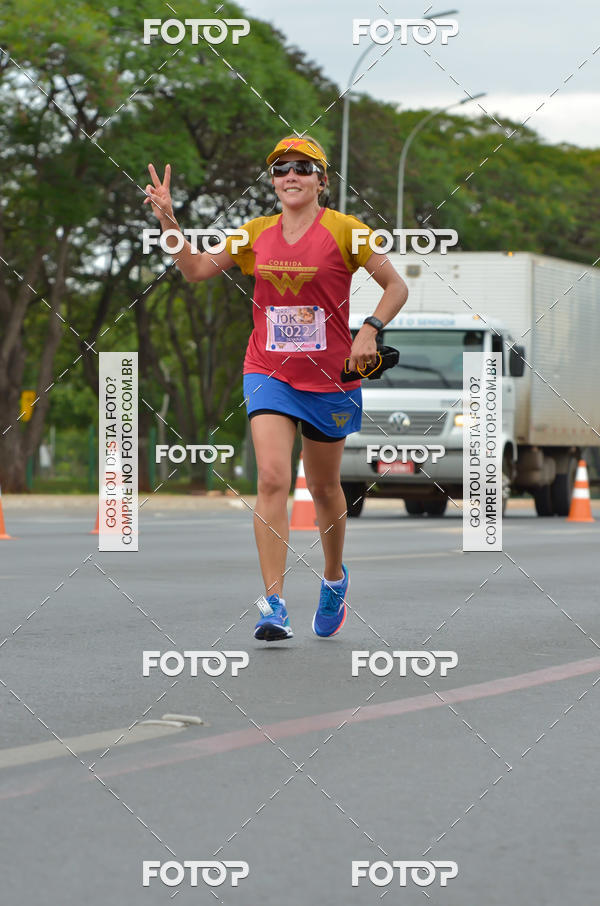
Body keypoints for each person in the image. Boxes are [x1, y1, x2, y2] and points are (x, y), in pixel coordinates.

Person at [144, 135, 408, 642]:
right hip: (269, 371)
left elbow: (396, 286)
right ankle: (274, 603)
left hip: (331, 378)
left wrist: (369, 330)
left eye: (303, 169)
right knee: (270, 478)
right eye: (282, 169)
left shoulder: (348, 232)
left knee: (327, 489)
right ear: (273, 181)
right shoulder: (255, 235)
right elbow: (196, 269)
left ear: (321, 181)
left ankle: (333, 579)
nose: (291, 176)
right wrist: (168, 221)